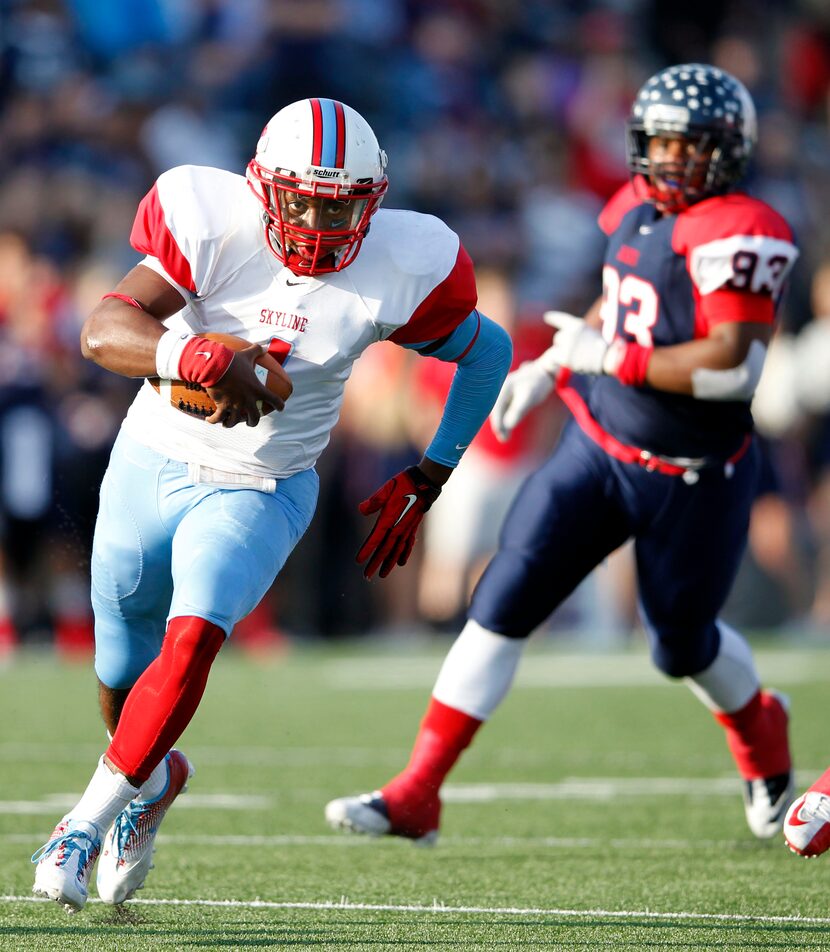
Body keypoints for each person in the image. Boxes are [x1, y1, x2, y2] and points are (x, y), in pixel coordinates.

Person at [31, 97, 512, 913]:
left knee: (193, 637)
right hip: (152, 458)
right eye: (306, 199)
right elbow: (104, 330)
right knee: (119, 667)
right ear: (263, 189)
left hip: (262, 484)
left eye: (343, 203)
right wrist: (202, 354)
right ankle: (152, 780)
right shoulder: (210, 217)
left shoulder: (406, 261)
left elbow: (488, 349)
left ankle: (80, 825)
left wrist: (433, 471)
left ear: (374, 200)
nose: (323, 220)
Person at [325, 64, 800, 845]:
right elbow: (622, 298)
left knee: (681, 647)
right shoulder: (631, 206)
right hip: (600, 446)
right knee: (500, 602)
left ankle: (761, 728)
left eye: (691, 146)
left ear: (728, 150)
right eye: (661, 144)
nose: (673, 161)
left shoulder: (743, 229)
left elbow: (729, 367)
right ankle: (417, 792)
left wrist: (601, 355)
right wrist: (551, 365)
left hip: (691, 476)